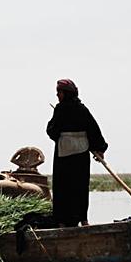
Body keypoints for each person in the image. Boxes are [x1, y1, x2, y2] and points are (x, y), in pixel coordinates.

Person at [46, 79, 108, 227]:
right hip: (81, 155)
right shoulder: (82, 109)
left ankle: (61, 222)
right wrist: (99, 148)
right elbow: (93, 129)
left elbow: (52, 131)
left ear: (64, 93)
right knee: (80, 187)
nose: (57, 96)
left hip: (64, 154)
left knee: (62, 188)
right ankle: (83, 220)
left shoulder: (60, 109)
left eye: (59, 93)